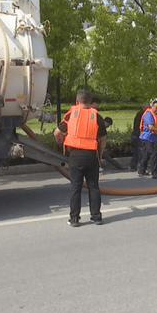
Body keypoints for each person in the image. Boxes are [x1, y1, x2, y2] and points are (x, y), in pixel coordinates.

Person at [54, 90, 107, 227]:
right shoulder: (97, 116)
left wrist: (59, 139)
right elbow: (103, 138)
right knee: (94, 187)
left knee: (75, 188)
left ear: (77, 101)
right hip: (91, 156)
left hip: (75, 156)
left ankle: (74, 219)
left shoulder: (71, 114)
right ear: (90, 102)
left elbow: (57, 132)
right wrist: (99, 155)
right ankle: (96, 217)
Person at [137, 100, 157, 179]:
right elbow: (151, 127)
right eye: (156, 108)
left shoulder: (155, 115)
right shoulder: (148, 114)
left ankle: (141, 171)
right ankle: (155, 173)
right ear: (152, 107)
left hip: (149, 138)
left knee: (146, 155)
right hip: (147, 138)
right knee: (153, 154)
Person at [129, 103, 150, 170]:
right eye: (148, 108)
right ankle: (138, 166)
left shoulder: (141, 114)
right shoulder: (142, 115)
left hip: (136, 134)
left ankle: (133, 165)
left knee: (137, 151)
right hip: (138, 134)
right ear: (144, 108)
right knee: (140, 151)